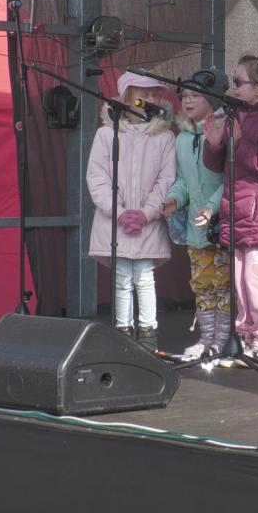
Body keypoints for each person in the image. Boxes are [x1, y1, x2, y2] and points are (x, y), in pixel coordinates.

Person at [202, 55, 258, 369]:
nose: (234, 88)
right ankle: (244, 340)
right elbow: (217, 165)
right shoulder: (238, 115)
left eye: (239, 82)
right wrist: (216, 144)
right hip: (237, 212)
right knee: (240, 283)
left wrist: (239, 144)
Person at [86, 71, 177, 350]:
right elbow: (97, 177)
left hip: (148, 222)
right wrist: (120, 212)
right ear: (127, 97)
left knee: (145, 276)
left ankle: (148, 334)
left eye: (154, 94)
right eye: (143, 93)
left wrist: (147, 213)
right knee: (123, 277)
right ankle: (123, 333)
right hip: (116, 223)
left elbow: (167, 179)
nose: (150, 98)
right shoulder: (106, 134)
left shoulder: (165, 137)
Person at [161, 68, 230, 360]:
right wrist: (174, 199)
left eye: (195, 96)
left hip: (222, 225)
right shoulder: (181, 138)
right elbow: (183, 181)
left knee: (224, 285)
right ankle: (206, 338)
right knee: (202, 285)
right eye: (184, 96)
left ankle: (223, 340)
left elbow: (231, 179)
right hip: (196, 228)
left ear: (212, 99)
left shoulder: (228, 130)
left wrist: (212, 207)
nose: (187, 101)